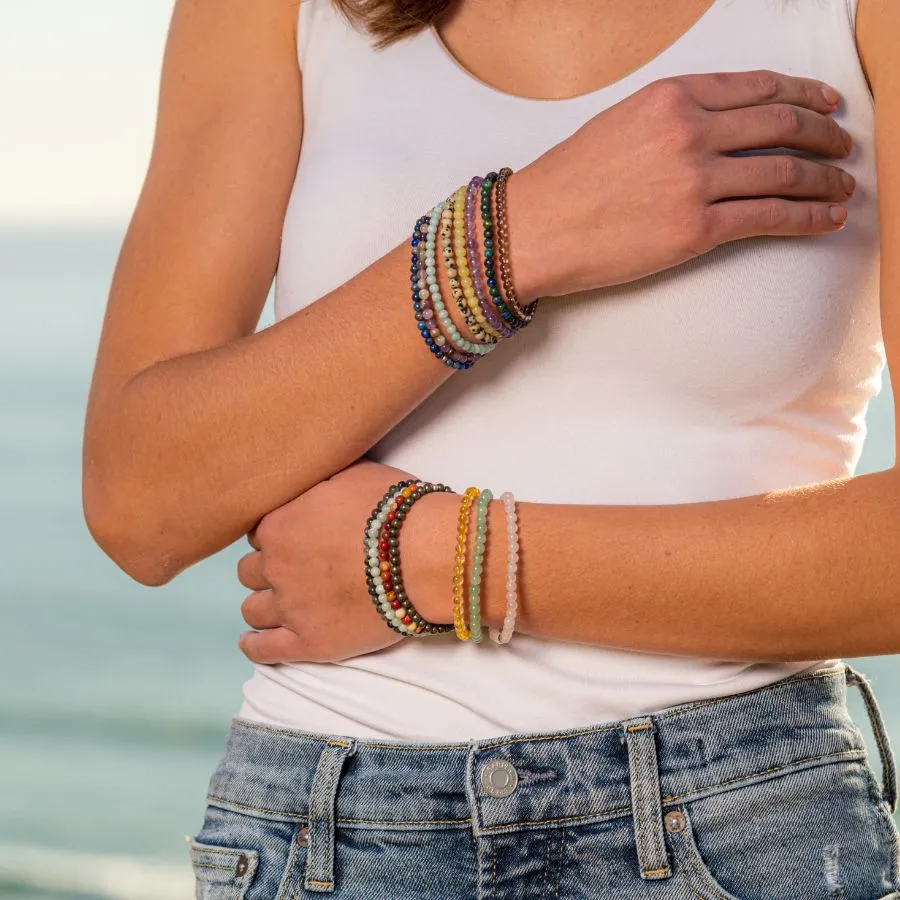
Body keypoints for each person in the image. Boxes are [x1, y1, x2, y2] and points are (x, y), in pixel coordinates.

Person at [83, 0, 900, 896]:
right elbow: (140, 502)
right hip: (328, 832)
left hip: (735, 826)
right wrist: (511, 239)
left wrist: (430, 559)